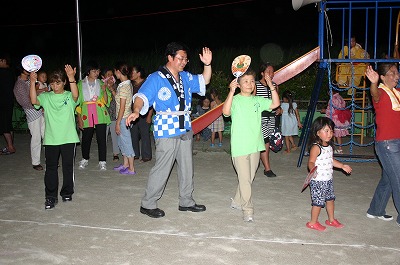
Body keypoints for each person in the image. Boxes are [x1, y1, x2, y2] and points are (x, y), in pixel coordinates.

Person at [126, 42, 212, 218]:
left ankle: (186, 201)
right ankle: (148, 203)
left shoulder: (186, 77)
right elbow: (141, 97)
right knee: (163, 167)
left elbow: (205, 80)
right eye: (180, 58)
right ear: (170, 57)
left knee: (187, 166)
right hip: (166, 127)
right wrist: (136, 111)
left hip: (184, 125)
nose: (183, 62)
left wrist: (207, 64)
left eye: (185, 59)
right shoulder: (156, 78)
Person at [223, 69, 280, 222]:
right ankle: (248, 209)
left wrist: (271, 86)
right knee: (245, 179)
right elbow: (226, 112)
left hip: (255, 145)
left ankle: (236, 201)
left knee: (248, 178)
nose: (249, 84)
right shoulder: (234, 99)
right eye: (246, 81)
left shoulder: (257, 100)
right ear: (239, 84)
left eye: (252, 81)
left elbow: (275, 103)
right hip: (239, 146)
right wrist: (231, 91)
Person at [29, 65, 80, 209]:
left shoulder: (69, 96)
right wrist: (33, 82)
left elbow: (76, 95)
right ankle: (50, 197)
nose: (54, 86)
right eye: (52, 83)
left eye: (58, 82)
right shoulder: (45, 97)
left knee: (67, 167)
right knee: (51, 169)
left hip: (69, 138)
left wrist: (71, 78)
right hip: (51, 139)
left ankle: (67, 192)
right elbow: (34, 101)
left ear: (63, 82)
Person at [365, 63, 400, 227]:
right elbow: (374, 94)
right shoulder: (381, 92)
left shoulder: (397, 93)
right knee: (398, 179)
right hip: (387, 145)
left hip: (397, 142)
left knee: (388, 178)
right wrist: (373, 82)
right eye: (392, 73)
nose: (396, 76)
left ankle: (375, 210)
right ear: (383, 77)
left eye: (397, 73)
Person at [306, 116, 352, 231]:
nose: (330, 133)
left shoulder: (330, 146)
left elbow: (331, 160)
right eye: (326, 131)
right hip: (318, 181)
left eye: (331, 131)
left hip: (328, 179)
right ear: (317, 133)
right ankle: (313, 222)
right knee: (318, 203)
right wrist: (313, 170)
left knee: (330, 199)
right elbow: (310, 162)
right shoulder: (316, 147)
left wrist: (342, 166)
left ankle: (331, 220)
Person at [76, 61, 111, 170]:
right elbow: (77, 102)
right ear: (88, 72)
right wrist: (79, 118)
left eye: (97, 71)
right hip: (86, 113)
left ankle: (102, 161)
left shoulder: (101, 83)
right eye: (94, 71)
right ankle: (85, 158)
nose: (96, 73)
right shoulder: (80, 84)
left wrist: (105, 90)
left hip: (99, 112)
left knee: (101, 138)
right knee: (86, 138)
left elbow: (106, 102)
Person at [14, 67, 45, 170]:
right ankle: (36, 162)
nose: (29, 69)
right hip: (33, 113)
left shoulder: (29, 81)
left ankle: (50, 159)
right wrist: (40, 105)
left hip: (41, 111)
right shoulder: (19, 85)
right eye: (26, 67)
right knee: (36, 138)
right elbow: (26, 102)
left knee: (47, 135)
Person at [253, 63, 281, 178]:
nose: (271, 74)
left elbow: (276, 100)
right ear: (262, 73)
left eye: (272, 71)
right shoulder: (255, 85)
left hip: (272, 117)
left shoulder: (274, 85)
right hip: (260, 117)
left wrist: (278, 108)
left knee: (267, 141)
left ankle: (260, 163)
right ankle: (267, 168)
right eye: (268, 71)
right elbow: (252, 101)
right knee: (265, 142)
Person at [113, 62, 136, 175]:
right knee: (122, 141)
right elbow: (120, 100)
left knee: (126, 142)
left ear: (118, 71)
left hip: (123, 117)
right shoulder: (126, 84)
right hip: (125, 116)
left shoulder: (124, 86)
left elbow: (122, 107)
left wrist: (117, 123)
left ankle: (131, 168)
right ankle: (126, 164)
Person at [130, 65, 153, 162]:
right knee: (133, 133)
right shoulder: (131, 85)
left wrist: (149, 115)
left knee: (145, 135)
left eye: (132, 72)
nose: (130, 74)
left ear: (138, 73)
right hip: (134, 113)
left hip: (144, 113)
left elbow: (151, 100)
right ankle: (135, 154)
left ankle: (146, 156)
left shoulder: (146, 84)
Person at [0, 52, 16, 155]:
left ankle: (10, 147)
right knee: (8, 124)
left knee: (4, 124)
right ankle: (10, 145)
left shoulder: (2, 72)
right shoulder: (11, 72)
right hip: (9, 100)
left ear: (4, 61)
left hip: (3, 101)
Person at [102, 68, 120, 162]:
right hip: (103, 115)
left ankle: (115, 153)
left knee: (114, 135)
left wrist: (111, 88)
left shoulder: (117, 86)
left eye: (112, 74)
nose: (110, 76)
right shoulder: (101, 86)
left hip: (114, 115)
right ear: (104, 77)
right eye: (108, 74)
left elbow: (118, 98)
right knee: (102, 136)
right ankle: (102, 154)